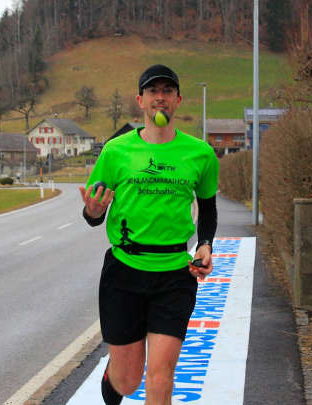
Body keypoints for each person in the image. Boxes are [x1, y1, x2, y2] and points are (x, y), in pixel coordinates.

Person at [79, 64, 219, 405]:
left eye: (167, 91)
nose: (160, 97)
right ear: (140, 100)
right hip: (124, 272)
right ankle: (117, 373)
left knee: (161, 379)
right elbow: (93, 213)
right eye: (153, 91)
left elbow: (208, 210)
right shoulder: (115, 152)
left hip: (174, 274)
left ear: (178, 100)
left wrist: (204, 245)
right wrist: (93, 212)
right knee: (128, 382)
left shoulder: (200, 154)